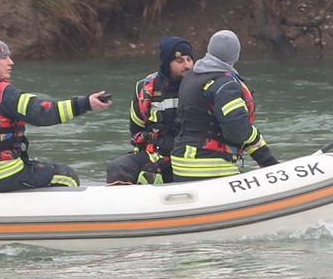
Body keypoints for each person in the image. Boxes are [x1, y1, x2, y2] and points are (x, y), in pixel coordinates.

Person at [0, 37, 112, 191]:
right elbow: (43, 113)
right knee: (67, 176)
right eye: (4, 57)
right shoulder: (1, 91)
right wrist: (86, 103)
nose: (10, 62)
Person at [170, 30, 278, 181]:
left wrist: (267, 161)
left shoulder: (191, 77)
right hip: (208, 168)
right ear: (235, 56)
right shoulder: (226, 86)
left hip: (180, 165)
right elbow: (238, 129)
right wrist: (268, 160)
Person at [106, 35, 194, 185]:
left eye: (189, 59)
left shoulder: (199, 85)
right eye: (179, 61)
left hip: (190, 155)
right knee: (118, 167)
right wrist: (152, 160)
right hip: (155, 153)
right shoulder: (146, 88)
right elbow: (136, 130)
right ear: (167, 63)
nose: (187, 65)